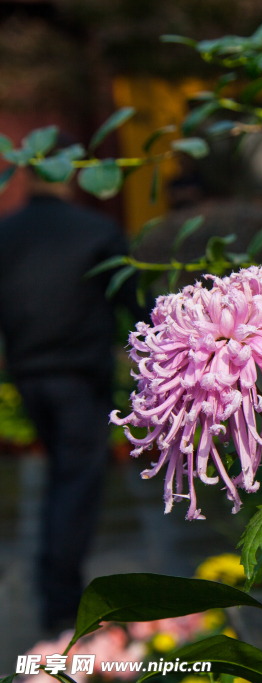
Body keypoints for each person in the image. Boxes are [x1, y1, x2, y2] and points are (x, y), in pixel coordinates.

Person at [0, 168, 142, 631]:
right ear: (71, 176)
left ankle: (58, 589)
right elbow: (139, 304)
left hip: (29, 375)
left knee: (65, 478)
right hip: (79, 378)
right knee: (75, 484)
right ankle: (61, 608)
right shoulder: (96, 230)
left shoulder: (8, 232)